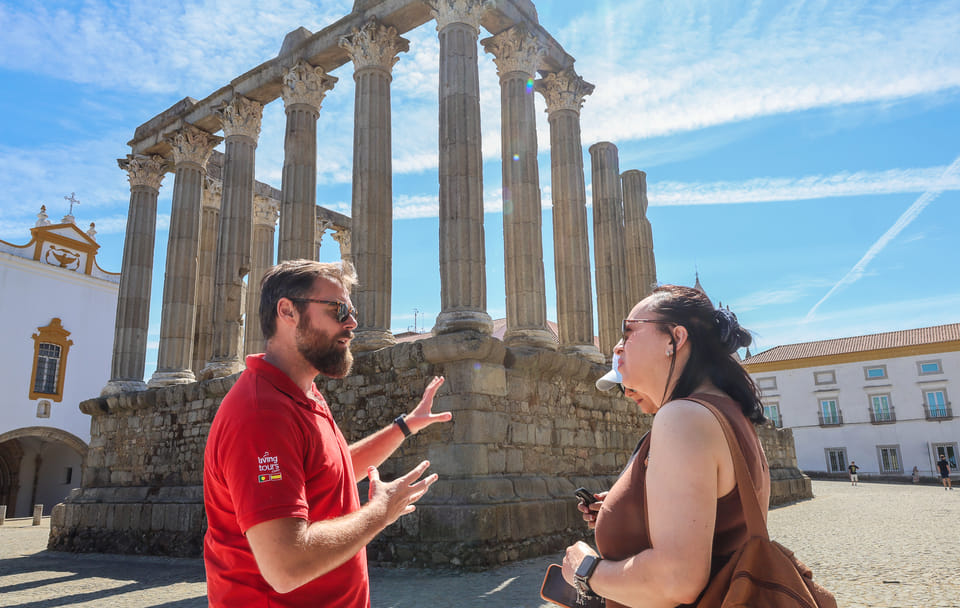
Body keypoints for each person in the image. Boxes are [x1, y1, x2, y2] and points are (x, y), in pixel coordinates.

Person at [203, 259, 452, 608]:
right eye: (338, 309)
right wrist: (380, 511)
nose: (352, 322)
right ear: (287, 311)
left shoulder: (303, 393)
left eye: (351, 310)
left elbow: (331, 471)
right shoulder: (261, 415)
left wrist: (404, 427)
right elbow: (285, 565)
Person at [564, 285, 770, 608]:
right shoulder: (726, 413)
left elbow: (678, 580)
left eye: (628, 332)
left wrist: (586, 571)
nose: (617, 349)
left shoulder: (682, 418)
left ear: (674, 340)